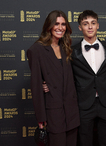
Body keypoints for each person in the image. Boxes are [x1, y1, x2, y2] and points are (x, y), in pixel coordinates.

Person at [43, 10, 106, 146]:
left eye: (93, 23)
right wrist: (46, 83)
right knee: (84, 141)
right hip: (83, 105)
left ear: (98, 25)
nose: (90, 27)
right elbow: (62, 73)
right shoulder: (71, 51)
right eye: (85, 24)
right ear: (80, 27)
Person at [27, 10, 80, 146]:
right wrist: (41, 120)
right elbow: (36, 87)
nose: (60, 28)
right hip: (53, 113)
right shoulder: (36, 50)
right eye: (56, 24)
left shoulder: (66, 47)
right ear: (49, 26)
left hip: (71, 112)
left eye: (63, 24)